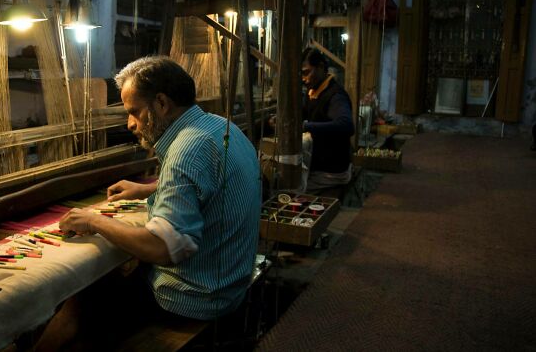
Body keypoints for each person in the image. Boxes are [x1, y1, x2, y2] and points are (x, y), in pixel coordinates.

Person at [35, 56, 261, 351]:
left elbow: (164, 248)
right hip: (230, 282)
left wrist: (93, 221)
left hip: (196, 297)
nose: (130, 124)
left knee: (83, 298)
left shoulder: (186, 150)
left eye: (134, 112)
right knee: (114, 276)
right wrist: (150, 189)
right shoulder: (218, 126)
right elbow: (212, 183)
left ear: (162, 103)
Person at [300, 47, 355, 191]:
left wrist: (306, 127)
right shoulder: (313, 92)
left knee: (289, 190)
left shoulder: (335, 95)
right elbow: (304, 113)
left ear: (320, 68)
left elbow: (346, 125)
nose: (303, 79)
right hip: (320, 167)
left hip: (332, 172)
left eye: (306, 72)